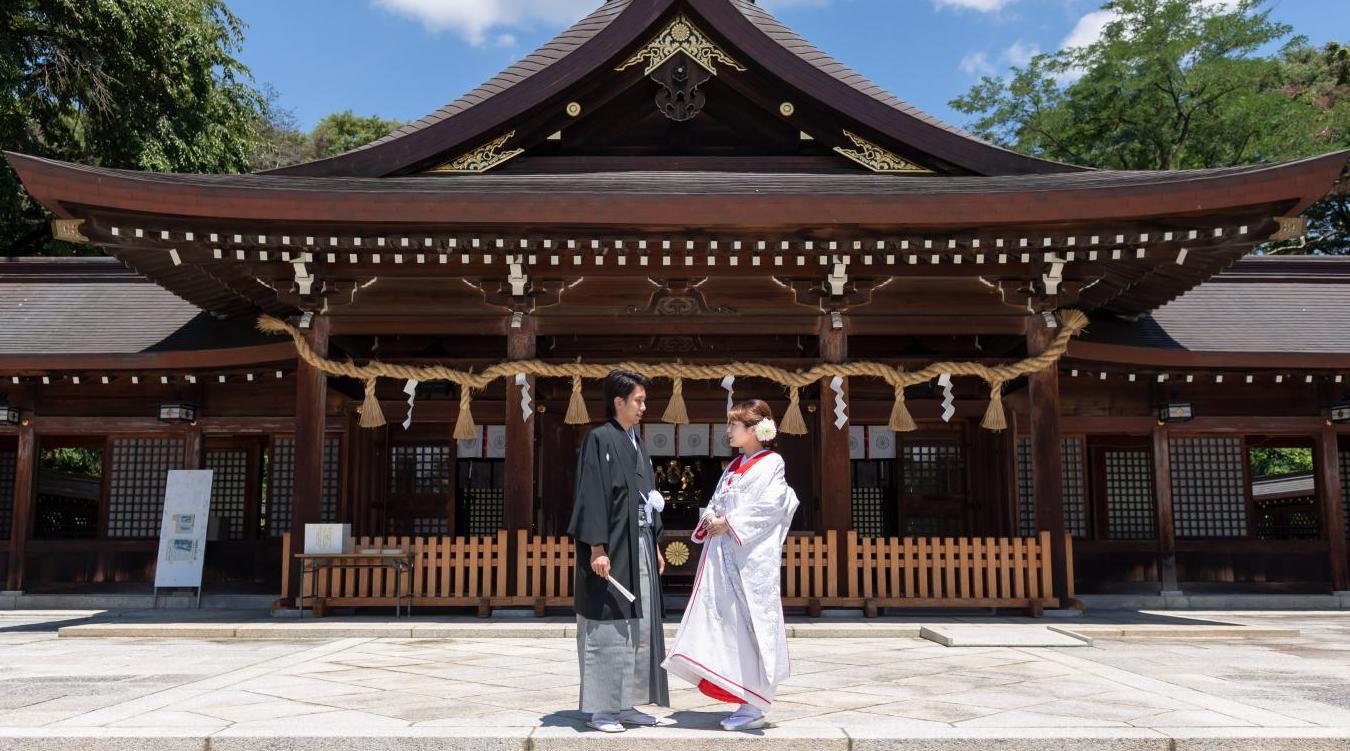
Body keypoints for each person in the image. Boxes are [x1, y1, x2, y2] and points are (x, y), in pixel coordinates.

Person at [662, 398, 800, 731]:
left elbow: (771, 506)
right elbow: (714, 503)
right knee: (729, 626)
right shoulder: (732, 467)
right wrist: (711, 518)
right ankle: (742, 693)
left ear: (755, 430)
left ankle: (755, 703)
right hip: (725, 557)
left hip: (751, 561)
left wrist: (730, 523)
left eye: (733, 426)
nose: (728, 432)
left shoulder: (772, 464)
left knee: (752, 626)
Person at [566, 369, 670, 732]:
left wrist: (654, 544)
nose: (644, 406)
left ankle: (627, 704)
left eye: (644, 400)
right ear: (618, 402)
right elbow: (592, 493)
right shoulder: (599, 439)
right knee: (608, 624)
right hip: (611, 545)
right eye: (638, 400)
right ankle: (603, 710)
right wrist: (597, 547)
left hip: (639, 542)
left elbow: (647, 499)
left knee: (638, 625)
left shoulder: (636, 443)